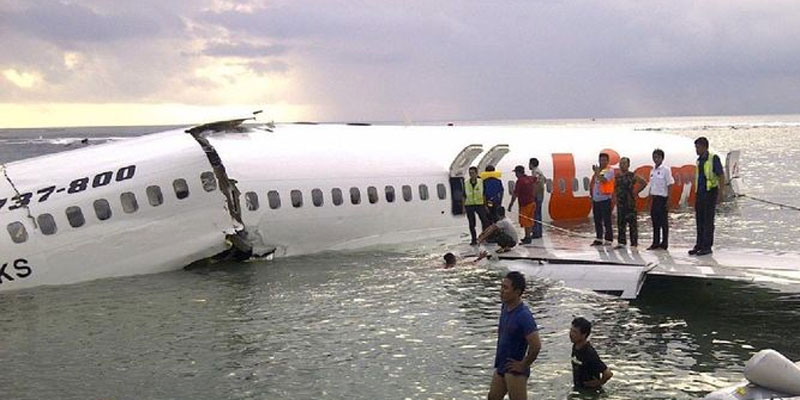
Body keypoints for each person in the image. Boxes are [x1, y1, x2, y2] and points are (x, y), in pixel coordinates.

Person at [488, 271, 542, 400]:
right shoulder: (505, 306)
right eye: (501, 286)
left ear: (517, 292)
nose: (501, 291)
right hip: (502, 364)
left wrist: (523, 364)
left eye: (505, 288)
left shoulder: (524, 315)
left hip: (515, 370)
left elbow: (536, 346)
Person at [691, 137, 725, 256]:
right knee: (699, 220)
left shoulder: (713, 158)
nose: (696, 149)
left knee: (708, 221)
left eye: (698, 147)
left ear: (704, 147)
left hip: (710, 192)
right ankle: (699, 244)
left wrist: (721, 193)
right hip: (700, 193)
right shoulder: (699, 160)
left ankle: (707, 246)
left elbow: (721, 175)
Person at [570, 317, 613, 391]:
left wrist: (599, 383)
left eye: (575, 332)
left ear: (583, 335)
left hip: (591, 392)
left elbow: (608, 373)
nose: (571, 334)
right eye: (571, 330)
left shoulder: (589, 353)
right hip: (578, 389)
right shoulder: (575, 346)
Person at [614, 157, 646, 249]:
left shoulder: (632, 175)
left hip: (630, 203)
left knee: (632, 225)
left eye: (624, 163)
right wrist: (615, 197)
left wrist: (636, 192)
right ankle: (621, 242)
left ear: (628, 165)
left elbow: (643, 183)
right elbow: (616, 187)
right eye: (621, 163)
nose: (622, 165)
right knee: (621, 223)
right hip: (620, 203)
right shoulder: (618, 176)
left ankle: (634, 243)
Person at [647, 149, 675, 250]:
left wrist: (669, 199)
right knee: (655, 222)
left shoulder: (666, 170)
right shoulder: (652, 170)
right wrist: (649, 198)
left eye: (658, 157)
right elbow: (652, 185)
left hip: (662, 198)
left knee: (663, 222)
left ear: (662, 158)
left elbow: (670, 184)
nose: (656, 159)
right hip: (654, 198)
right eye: (654, 157)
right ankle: (655, 242)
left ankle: (664, 243)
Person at [591, 153, 615, 246]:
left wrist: (596, 172)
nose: (602, 162)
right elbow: (595, 184)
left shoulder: (609, 170)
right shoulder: (599, 170)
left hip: (605, 199)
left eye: (604, 160)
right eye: (601, 160)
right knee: (597, 220)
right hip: (596, 199)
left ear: (608, 161)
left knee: (606, 220)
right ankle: (599, 238)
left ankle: (609, 239)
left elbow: (604, 180)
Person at [508, 165, 536, 244]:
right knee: (529, 221)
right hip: (532, 202)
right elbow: (538, 179)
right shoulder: (529, 178)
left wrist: (510, 205)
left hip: (525, 204)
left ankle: (527, 237)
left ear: (518, 172)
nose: (515, 175)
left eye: (516, 173)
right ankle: (528, 236)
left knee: (526, 221)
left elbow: (515, 194)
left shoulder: (520, 181)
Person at [464, 166, 490, 246]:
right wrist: (463, 207)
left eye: (472, 173)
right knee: (472, 224)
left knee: (485, 221)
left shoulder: (481, 182)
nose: (471, 175)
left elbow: (484, 194)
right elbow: (463, 195)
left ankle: (485, 237)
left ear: (476, 173)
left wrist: (485, 205)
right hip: (469, 205)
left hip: (480, 204)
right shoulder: (466, 183)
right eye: (470, 173)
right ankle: (474, 239)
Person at [528, 158, 546, 239]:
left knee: (536, 214)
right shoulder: (539, 171)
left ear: (531, 164)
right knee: (538, 214)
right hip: (540, 195)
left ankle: (537, 232)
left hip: (537, 196)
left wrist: (533, 195)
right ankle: (538, 232)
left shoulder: (535, 172)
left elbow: (536, 184)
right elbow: (544, 180)